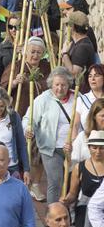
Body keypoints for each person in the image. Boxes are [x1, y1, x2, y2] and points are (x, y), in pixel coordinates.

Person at [24, 66, 77, 204]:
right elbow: (29, 118)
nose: (60, 88)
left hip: (73, 147)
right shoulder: (43, 99)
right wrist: (29, 128)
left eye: (63, 85)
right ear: (51, 84)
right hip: (50, 148)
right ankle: (53, 214)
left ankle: (69, 213)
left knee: (73, 182)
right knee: (55, 180)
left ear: (69, 84)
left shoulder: (77, 97)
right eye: (57, 85)